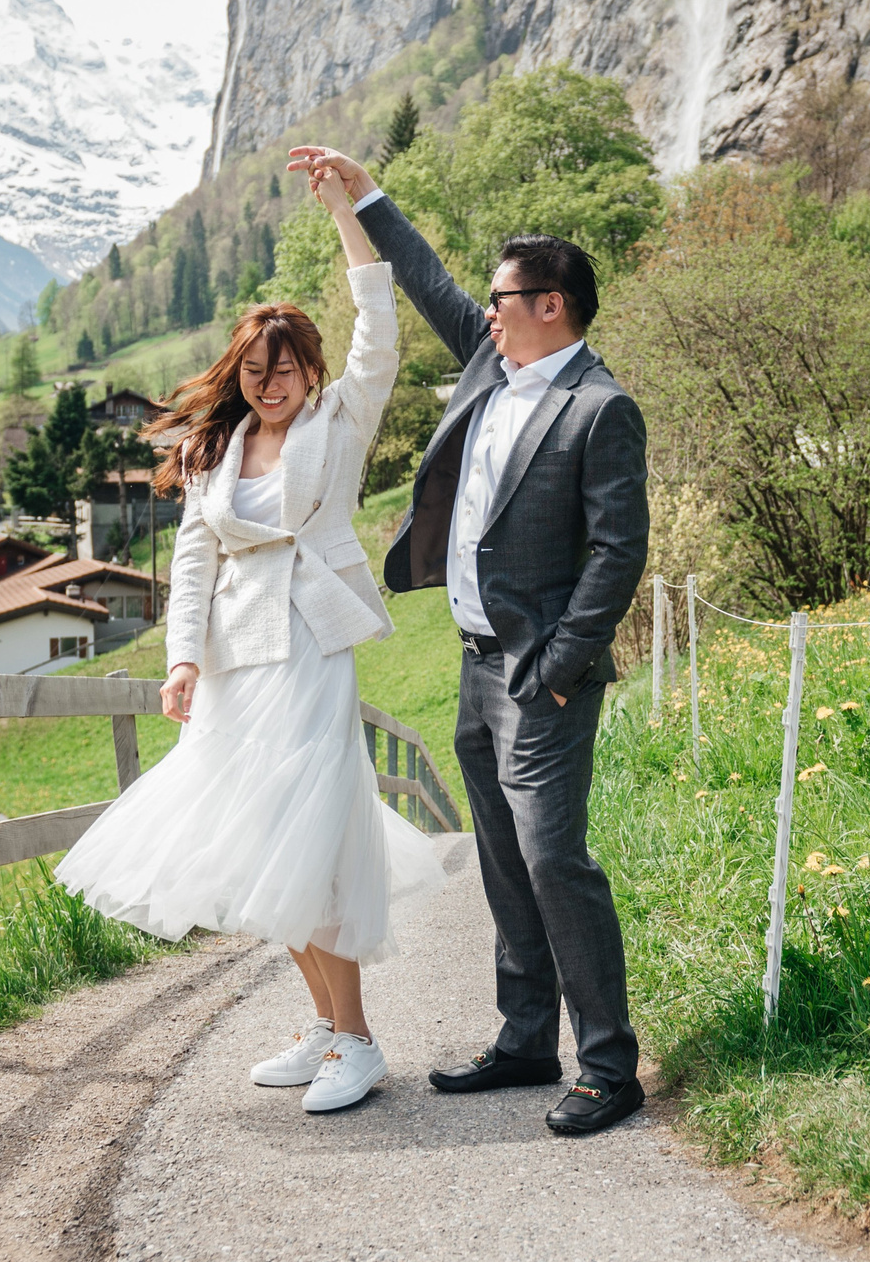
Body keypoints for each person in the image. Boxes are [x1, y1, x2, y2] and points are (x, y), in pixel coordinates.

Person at [56, 161, 443, 1115]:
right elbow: (194, 561)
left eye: (286, 369)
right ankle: (324, 1024)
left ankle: (357, 1040)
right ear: (242, 375)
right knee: (254, 840)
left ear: (312, 370)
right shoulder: (217, 453)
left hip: (313, 646)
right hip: (236, 659)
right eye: (257, 372)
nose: (271, 386)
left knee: (308, 834)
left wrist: (349, 215)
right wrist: (179, 657)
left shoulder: (342, 419)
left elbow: (377, 323)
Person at [285, 143, 651, 1138]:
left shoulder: (599, 408)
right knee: (501, 858)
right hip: (475, 661)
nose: (484, 309)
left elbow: (619, 554)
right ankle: (528, 1040)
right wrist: (363, 195)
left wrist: (558, 664)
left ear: (551, 302)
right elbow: (428, 278)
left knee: (553, 859)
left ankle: (608, 1065)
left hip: (541, 674)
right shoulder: (494, 359)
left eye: (504, 297)